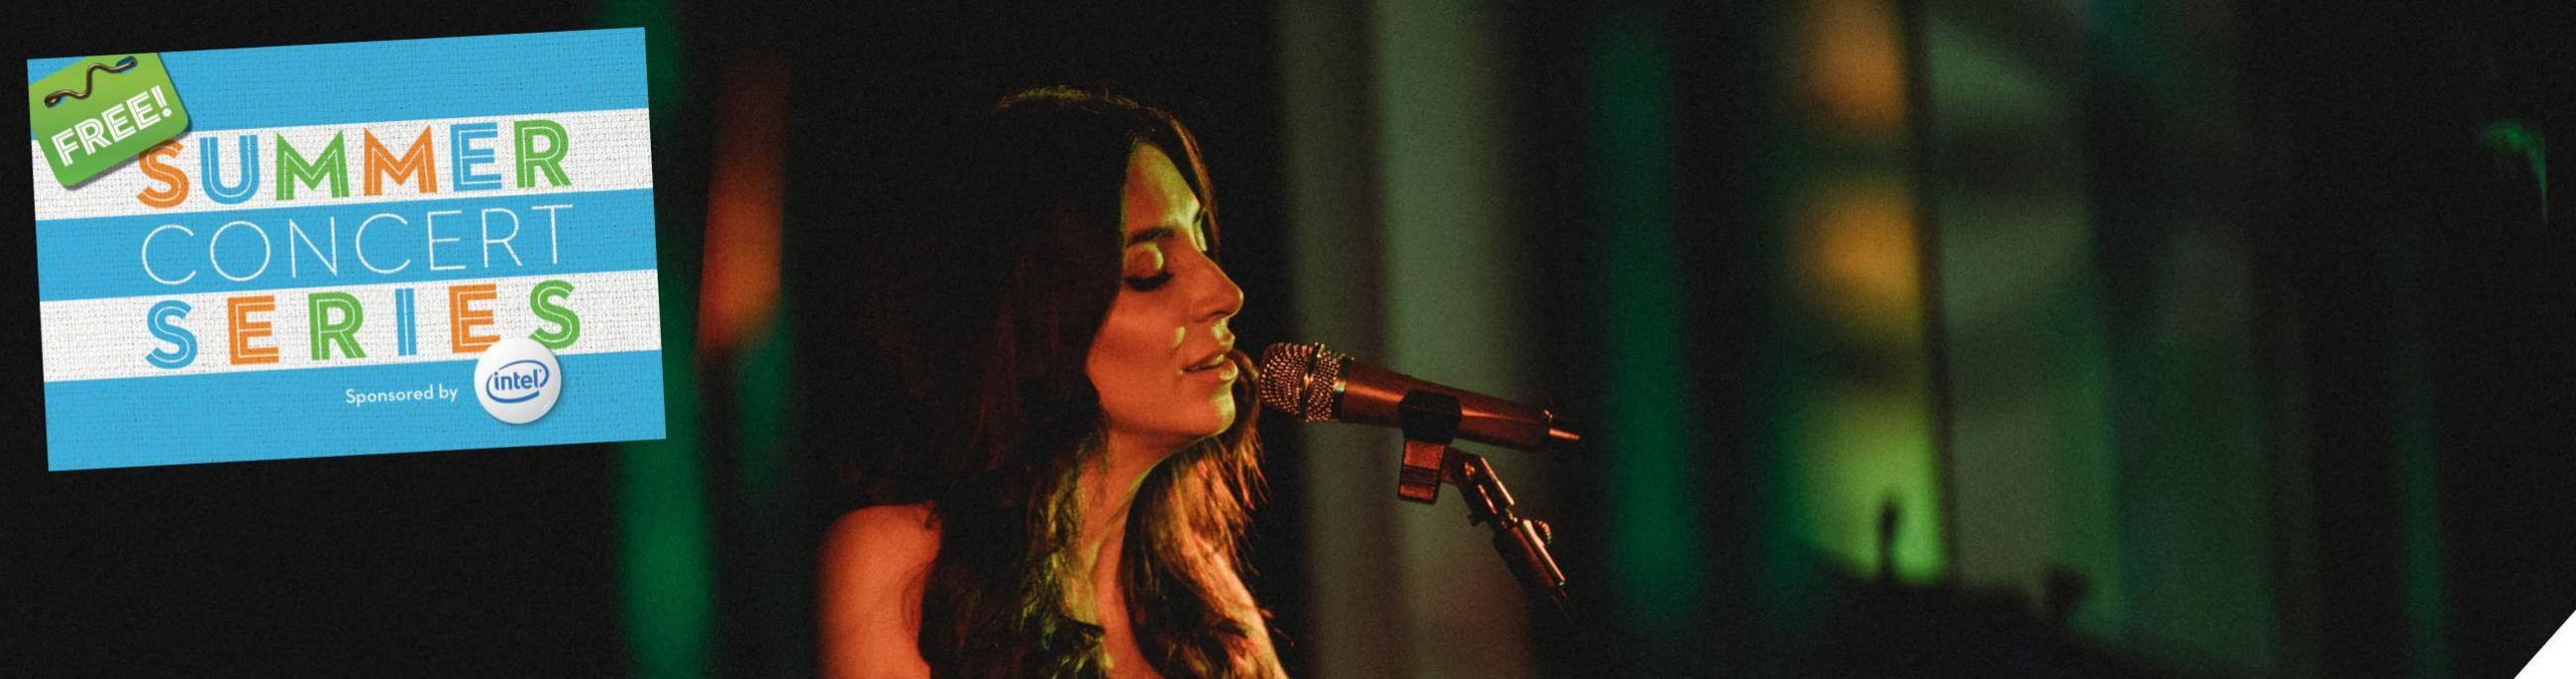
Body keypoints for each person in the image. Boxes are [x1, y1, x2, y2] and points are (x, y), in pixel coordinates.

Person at [820, 86, 1285, 679]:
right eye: (1150, 270)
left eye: (1201, 241)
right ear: (1034, 319)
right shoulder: (893, 565)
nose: (1226, 293)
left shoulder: (1204, 595)